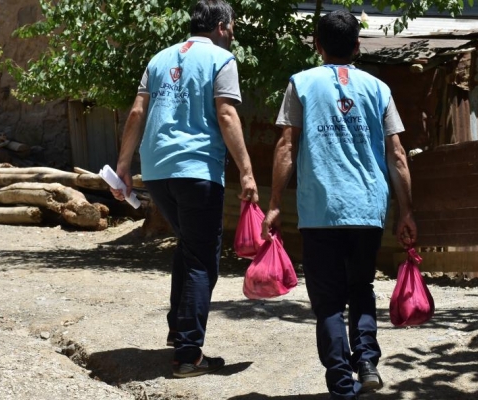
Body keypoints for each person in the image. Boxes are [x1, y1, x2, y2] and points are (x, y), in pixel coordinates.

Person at [260, 10, 416, 400]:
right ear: (358, 46)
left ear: (318, 45)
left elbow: (286, 147)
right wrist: (407, 211)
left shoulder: (302, 84)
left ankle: (340, 385)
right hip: (367, 208)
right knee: (361, 286)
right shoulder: (379, 89)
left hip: (321, 211)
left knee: (328, 300)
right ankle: (366, 362)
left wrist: (275, 203)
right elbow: (397, 156)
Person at [112, 0, 258, 379]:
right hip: (197, 171)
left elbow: (137, 112)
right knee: (201, 258)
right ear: (222, 26)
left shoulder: (159, 59)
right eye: (234, 26)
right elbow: (226, 114)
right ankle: (188, 355)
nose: (234, 33)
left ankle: (179, 329)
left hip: (158, 171)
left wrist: (124, 166)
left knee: (189, 246)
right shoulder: (222, 61)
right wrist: (247, 172)